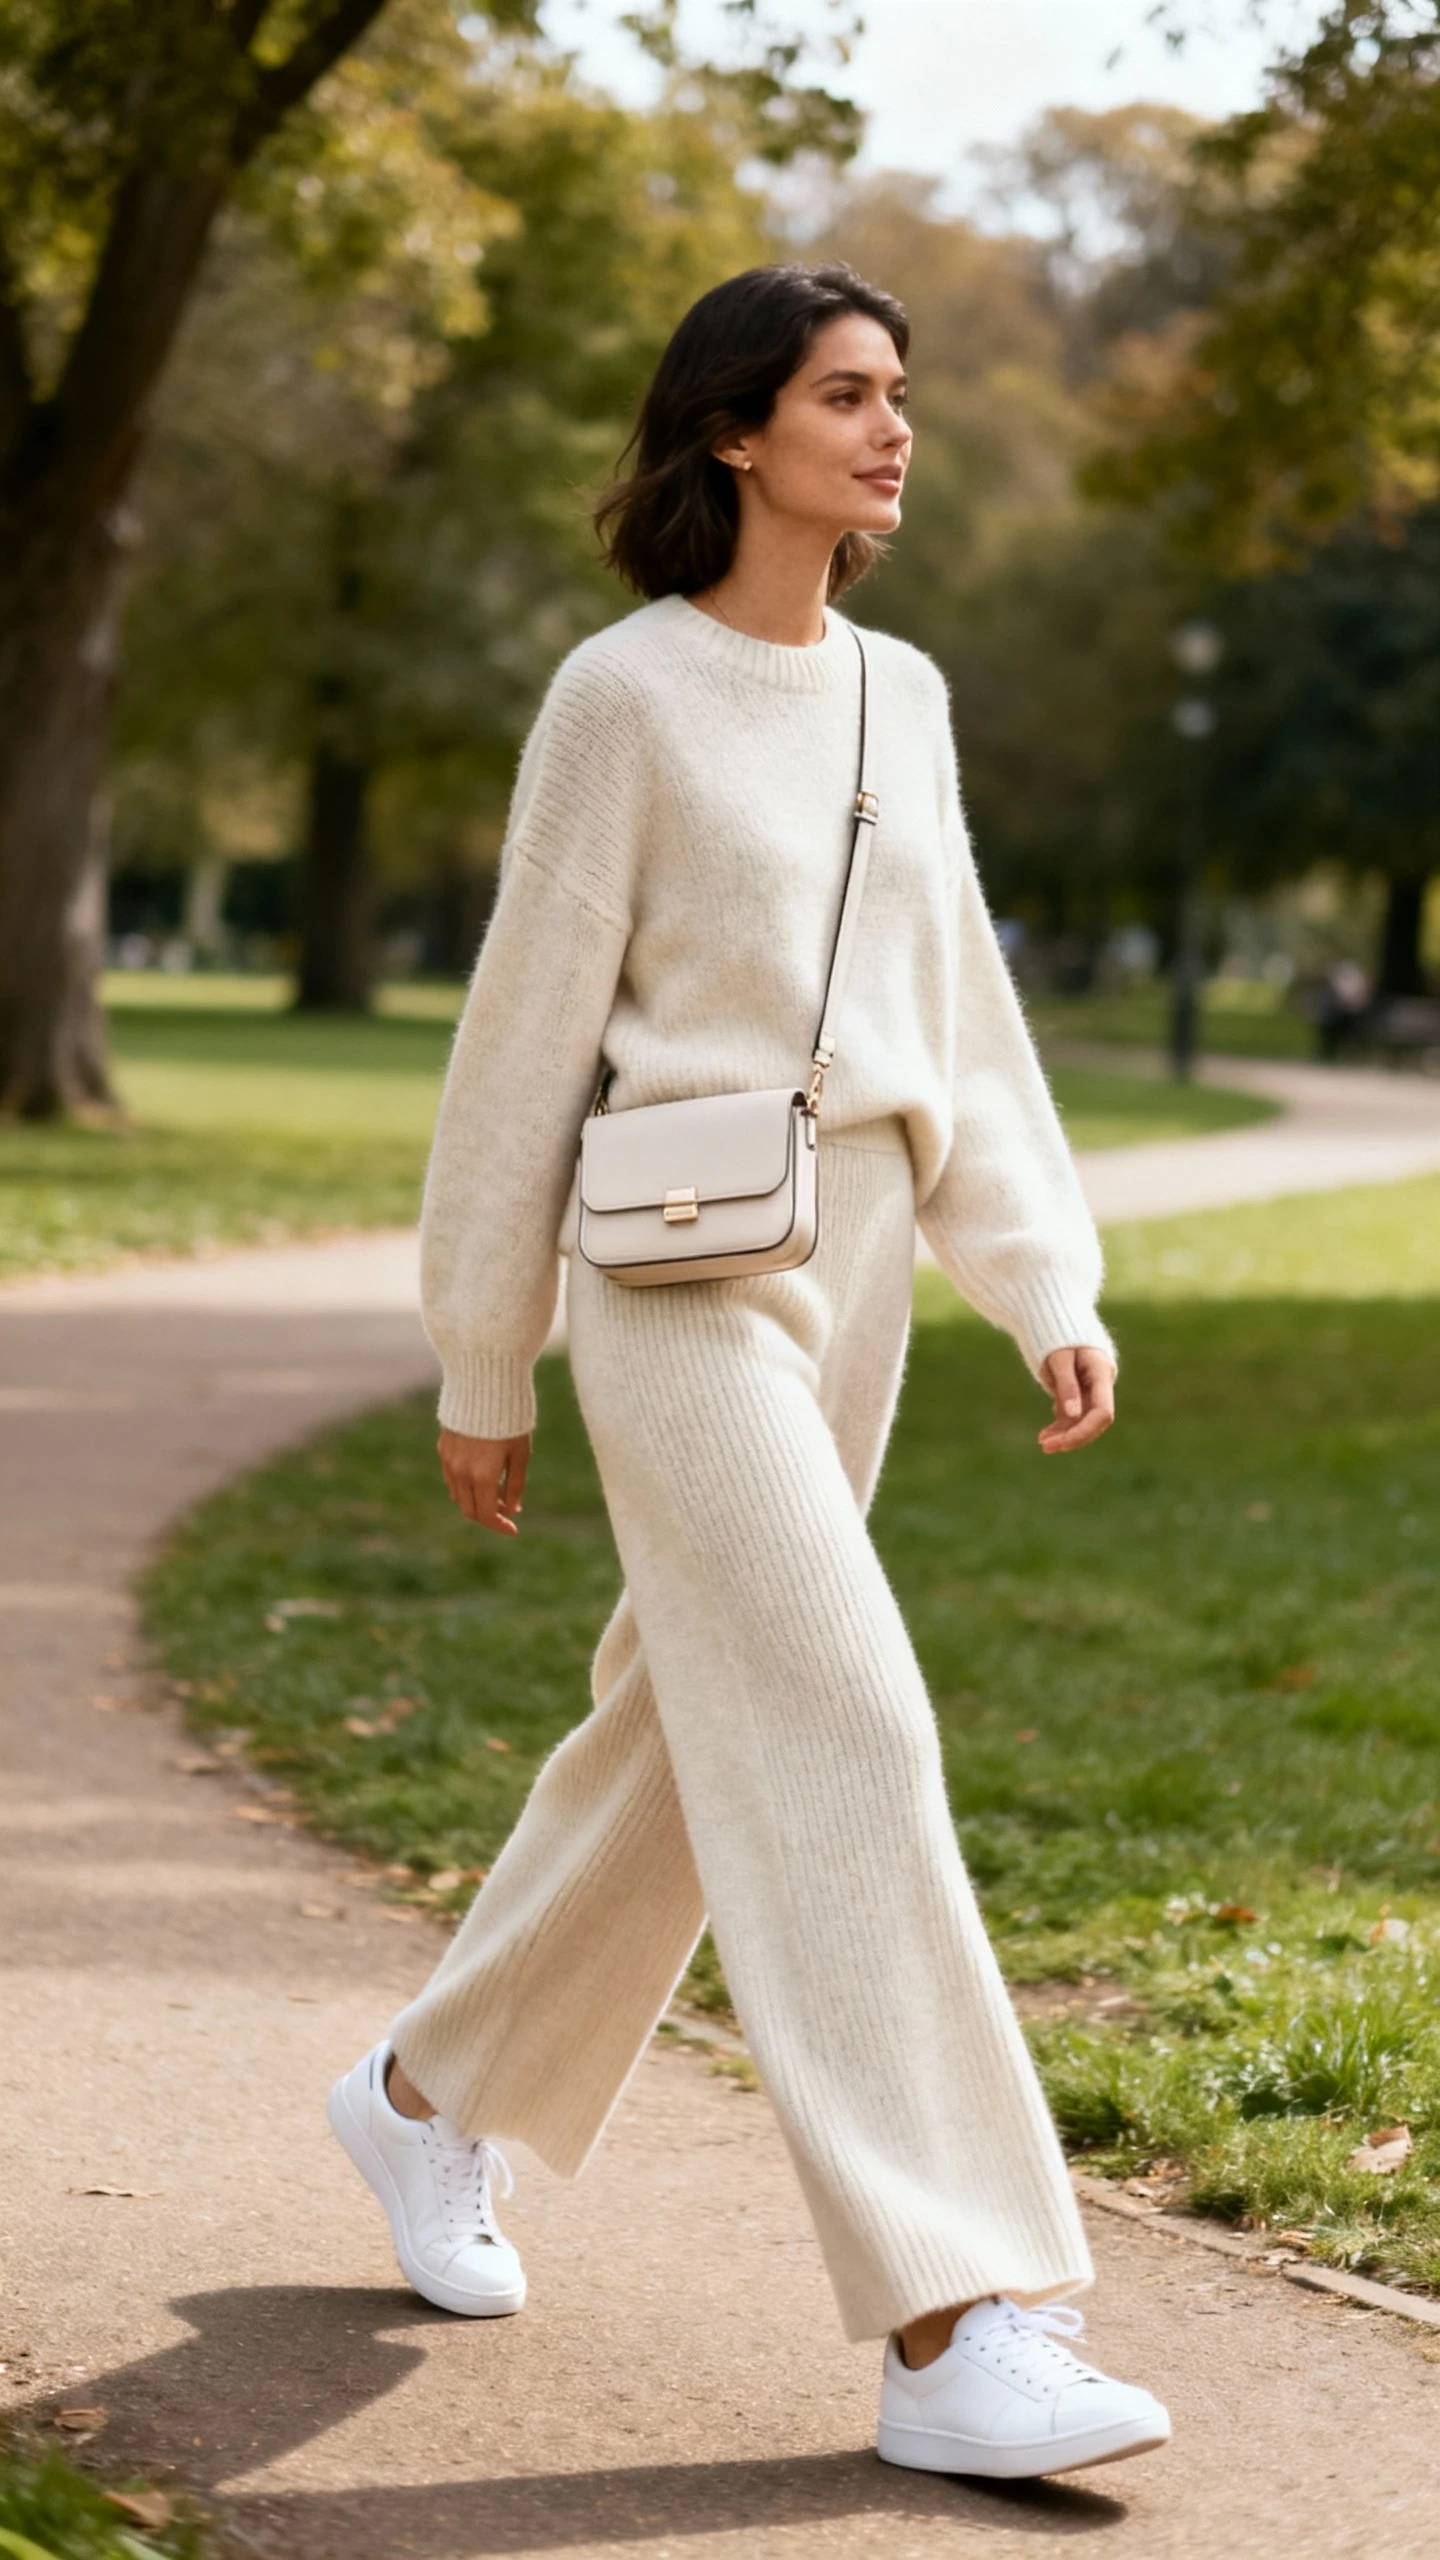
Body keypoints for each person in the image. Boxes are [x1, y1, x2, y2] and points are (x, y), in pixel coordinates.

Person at [327, 261, 1171, 2482]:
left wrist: (1043, 1270)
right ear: (734, 430)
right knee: (845, 1719)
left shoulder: (910, 693)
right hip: (675, 1274)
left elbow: (957, 1016)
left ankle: (423, 2099)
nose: (894, 431)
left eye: (902, 396)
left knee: (687, 1743)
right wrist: (476, 1343)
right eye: (847, 394)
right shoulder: (623, 696)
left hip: (867, 1258)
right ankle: (955, 2311)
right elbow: (525, 1030)